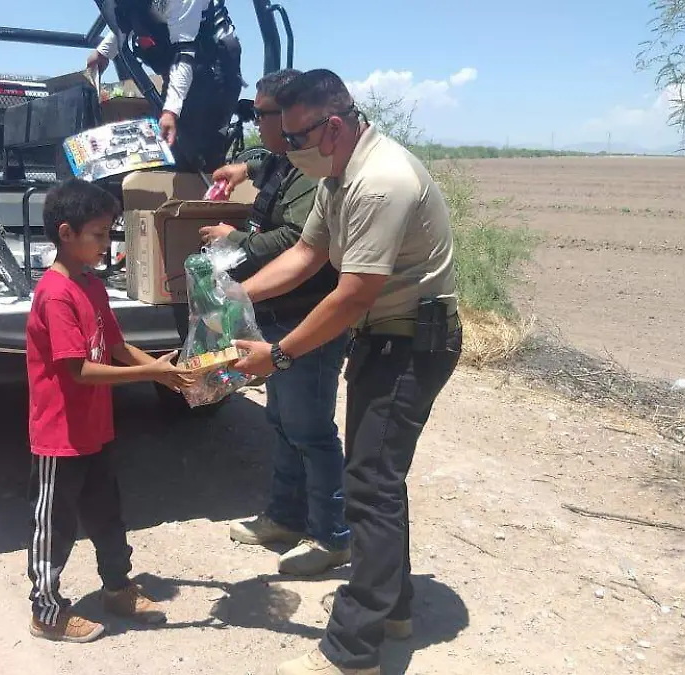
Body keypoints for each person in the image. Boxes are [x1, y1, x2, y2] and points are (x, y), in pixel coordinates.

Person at [230, 69, 464, 675]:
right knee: (377, 480)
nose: (286, 149)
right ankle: (395, 608)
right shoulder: (337, 174)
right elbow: (307, 255)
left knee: (372, 484)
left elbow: (355, 292)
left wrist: (278, 354)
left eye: (295, 138)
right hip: (385, 341)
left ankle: (353, 647)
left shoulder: (379, 183)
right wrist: (234, 301)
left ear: (331, 127)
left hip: (412, 346)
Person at [25, 178, 195, 643]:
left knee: (107, 514)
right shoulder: (56, 293)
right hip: (60, 434)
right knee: (54, 525)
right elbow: (79, 370)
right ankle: (46, 610)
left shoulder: (89, 285)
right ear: (66, 233)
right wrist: (148, 376)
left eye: (108, 234)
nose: (106, 244)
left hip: (94, 428)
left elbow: (117, 347)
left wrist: (162, 370)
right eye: (99, 235)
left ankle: (118, 588)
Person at [199, 68, 349, 577]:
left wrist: (232, 241)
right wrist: (242, 167)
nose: (256, 123)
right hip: (278, 313)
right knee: (282, 422)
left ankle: (332, 536)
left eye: (260, 115)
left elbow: (295, 243)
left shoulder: (310, 169)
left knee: (310, 429)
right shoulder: (283, 160)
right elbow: (264, 162)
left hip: (309, 316)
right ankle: (285, 518)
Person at [88, 0, 243, 172]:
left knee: (194, 156)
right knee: (165, 150)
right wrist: (103, 53)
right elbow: (135, 16)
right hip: (180, 69)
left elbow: (185, 54)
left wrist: (170, 111)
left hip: (213, 68)